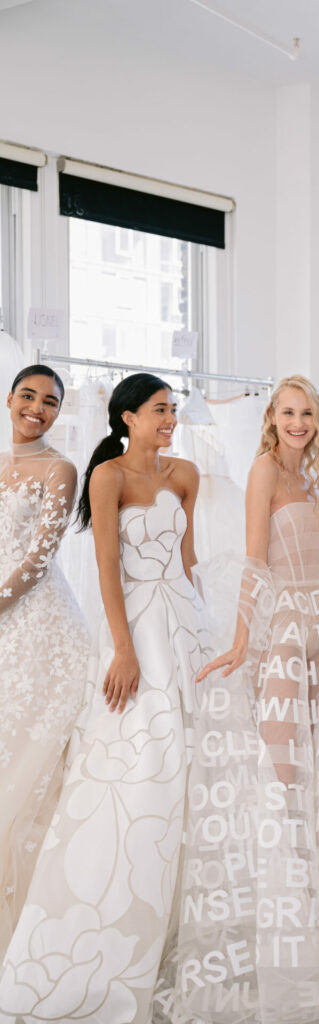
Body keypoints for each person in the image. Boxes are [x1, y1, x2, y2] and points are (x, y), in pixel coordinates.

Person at [0, 373, 212, 1024]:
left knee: (202, 756)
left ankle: (196, 918)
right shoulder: (106, 476)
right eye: (160, 410)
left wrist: (207, 631)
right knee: (139, 756)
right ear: (127, 418)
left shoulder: (186, 474)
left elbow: (190, 558)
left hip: (184, 622)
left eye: (174, 410)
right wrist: (122, 648)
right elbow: (105, 570)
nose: (171, 419)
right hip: (136, 626)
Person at [174, 375, 319, 1024]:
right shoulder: (261, 471)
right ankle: (276, 937)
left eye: (307, 413)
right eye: (287, 412)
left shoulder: (312, 473)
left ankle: (316, 922)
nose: (298, 422)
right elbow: (255, 562)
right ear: (271, 418)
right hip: (281, 633)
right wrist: (240, 643)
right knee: (280, 778)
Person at [0, 365, 89, 957]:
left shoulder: (60, 468)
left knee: (31, 755)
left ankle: (35, 911)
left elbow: (38, 558)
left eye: (51, 402)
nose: (38, 408)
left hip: (38, 626)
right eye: (29, 396)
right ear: (9, 399)